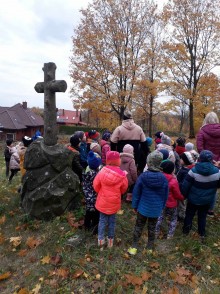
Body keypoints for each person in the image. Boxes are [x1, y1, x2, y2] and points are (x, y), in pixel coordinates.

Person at [127, 150, 169, 255]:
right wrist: (162, 207)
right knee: (152, 227)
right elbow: (165, 195)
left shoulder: (143, 176)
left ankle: (134, 246)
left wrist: (135, 205)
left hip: (143, 208)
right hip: (156, 209)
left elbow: (136, 193)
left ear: (148, 162)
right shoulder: (164, 179)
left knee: (139, 226)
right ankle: (149, 248)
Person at [181, 150, 220, 241]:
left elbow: (185, 186)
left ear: (200, 159)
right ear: (211, 160)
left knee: (189, 215)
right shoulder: (217, 172)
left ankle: (186, 232)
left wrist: (184, 196)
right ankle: (201, 234)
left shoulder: (193, 171)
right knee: (202, 216)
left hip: (193, 199)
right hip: (207, 200)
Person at [93, 151, 128, 248]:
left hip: (103, 201)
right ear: (118, 161)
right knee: (112, 221)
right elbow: (124, 188)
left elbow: (96, 185)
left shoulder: (102, 172)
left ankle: (100, 240)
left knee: (102, 221)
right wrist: (118, 193)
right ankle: (110, 241)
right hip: (114, 202)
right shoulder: (122, 175)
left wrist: (100, 192)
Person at [196, 111, 220, 216]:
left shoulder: (202, 131)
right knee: (213, 187)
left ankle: (199, 206)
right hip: (218, 163)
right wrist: (218, 161)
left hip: (205, 161)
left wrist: (209, 159)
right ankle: (210, 210)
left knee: (200, 184)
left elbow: (200, 148)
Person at [155, 160, 184, 239]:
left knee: (159, 217)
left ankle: (156, 232)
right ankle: (170, 235)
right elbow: (177, 194)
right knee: (173, 219)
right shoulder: (174, 181)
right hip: (172, 204)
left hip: (161, 203)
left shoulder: (158, 177)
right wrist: (182, 198)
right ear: (172, 170)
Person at [82, 151, 102, 235]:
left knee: (88, 212)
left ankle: (86, 226)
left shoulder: (86, 172)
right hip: (94, 197)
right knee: (95, 213)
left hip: (87, 196)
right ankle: (95, 229)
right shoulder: (95, 175)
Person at [176, 151, 195, 221]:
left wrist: (177, 183)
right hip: (179, 189)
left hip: (182, 191)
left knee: (181, 203)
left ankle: (181, 215)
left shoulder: (186, 171)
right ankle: (179, 213)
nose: (180, 160)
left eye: (181, 159)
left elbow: (184, 183)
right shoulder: (183, 168)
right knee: (179, 203)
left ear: (185, 161)